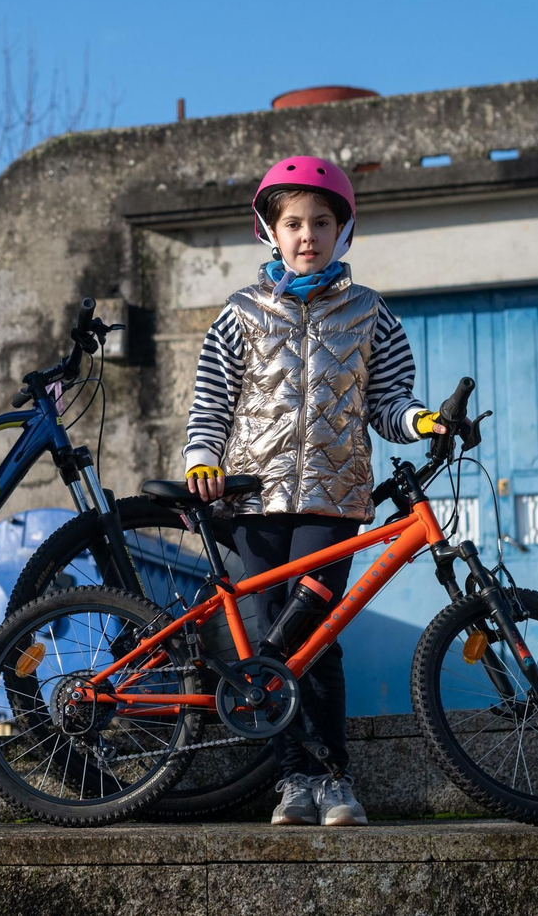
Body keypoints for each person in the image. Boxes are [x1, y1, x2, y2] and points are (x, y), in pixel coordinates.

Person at [181, 156, 446, 827]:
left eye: (321, 222)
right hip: (252, 500)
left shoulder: (368, 313)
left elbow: (388, 400)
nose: (307, 234)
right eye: (293, 222)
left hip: (333, 501)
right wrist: (201, 457)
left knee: (318, 639)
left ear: (342, 229)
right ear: (270, 230)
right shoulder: (242, 312)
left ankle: (336, 783)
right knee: (267, 638)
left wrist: (417, 420)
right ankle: (292, 781)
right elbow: (212, 399)